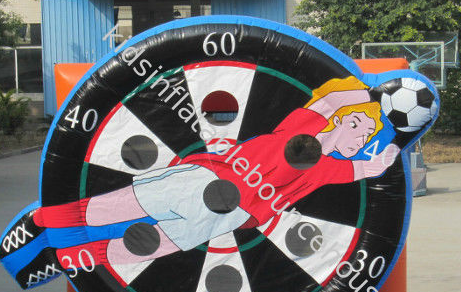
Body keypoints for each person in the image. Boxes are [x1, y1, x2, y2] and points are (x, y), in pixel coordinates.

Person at [35, 76, 401, 268]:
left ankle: (67, 258)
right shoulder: (305, 124)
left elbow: (374, 164)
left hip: (230, 213)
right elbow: (332, 99)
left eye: (369, 135)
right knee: (111, 209)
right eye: (361, 128)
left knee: (146, 245)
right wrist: (374, 97)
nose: (364, 138)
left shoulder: (329, 169)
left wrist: (398, 137)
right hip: (205, 179)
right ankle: (42, 224)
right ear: (342, 121)